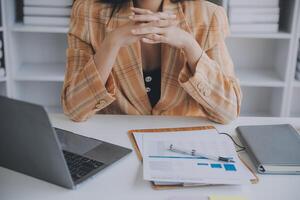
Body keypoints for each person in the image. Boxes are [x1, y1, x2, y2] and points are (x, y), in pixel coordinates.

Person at [61, 0, 242, 124]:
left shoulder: (208, 15)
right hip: (117, 145)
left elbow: (228, 111)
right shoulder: (86, 12)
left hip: (184, 147)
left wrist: (188, 43)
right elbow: (74, 110)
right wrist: (112, 42)